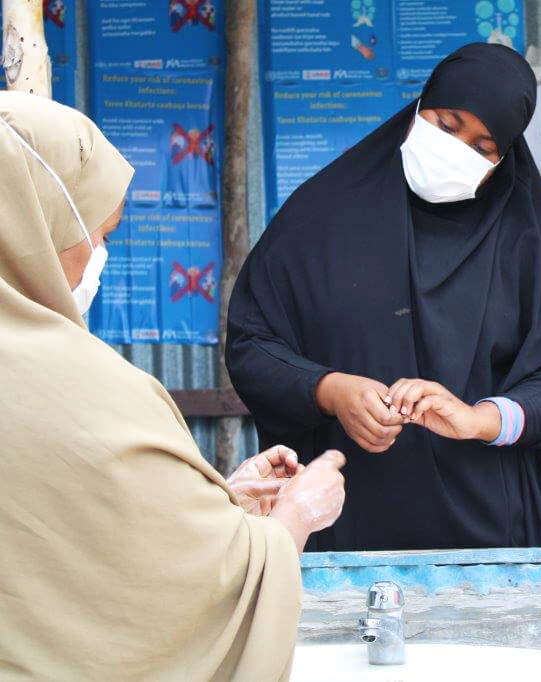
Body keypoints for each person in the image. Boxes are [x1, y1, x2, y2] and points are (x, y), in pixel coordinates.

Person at [0, 91, 347, 678]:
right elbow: (166, 606)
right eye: (100, 234)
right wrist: (295, 517)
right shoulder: (88, 390)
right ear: (36, 227)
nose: (100, 258)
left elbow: (56, 546)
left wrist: (212, 502)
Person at [226, 43, 541, 551]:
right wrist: (331, 390)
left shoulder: (521, 240)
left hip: (491, 547)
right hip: (345, 529)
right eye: (446, 125)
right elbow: (252, 343)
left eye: (483, 147)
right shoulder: (323, 217)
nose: (458, 150)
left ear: (504, 157)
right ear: (418, 109)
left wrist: (478, 420)